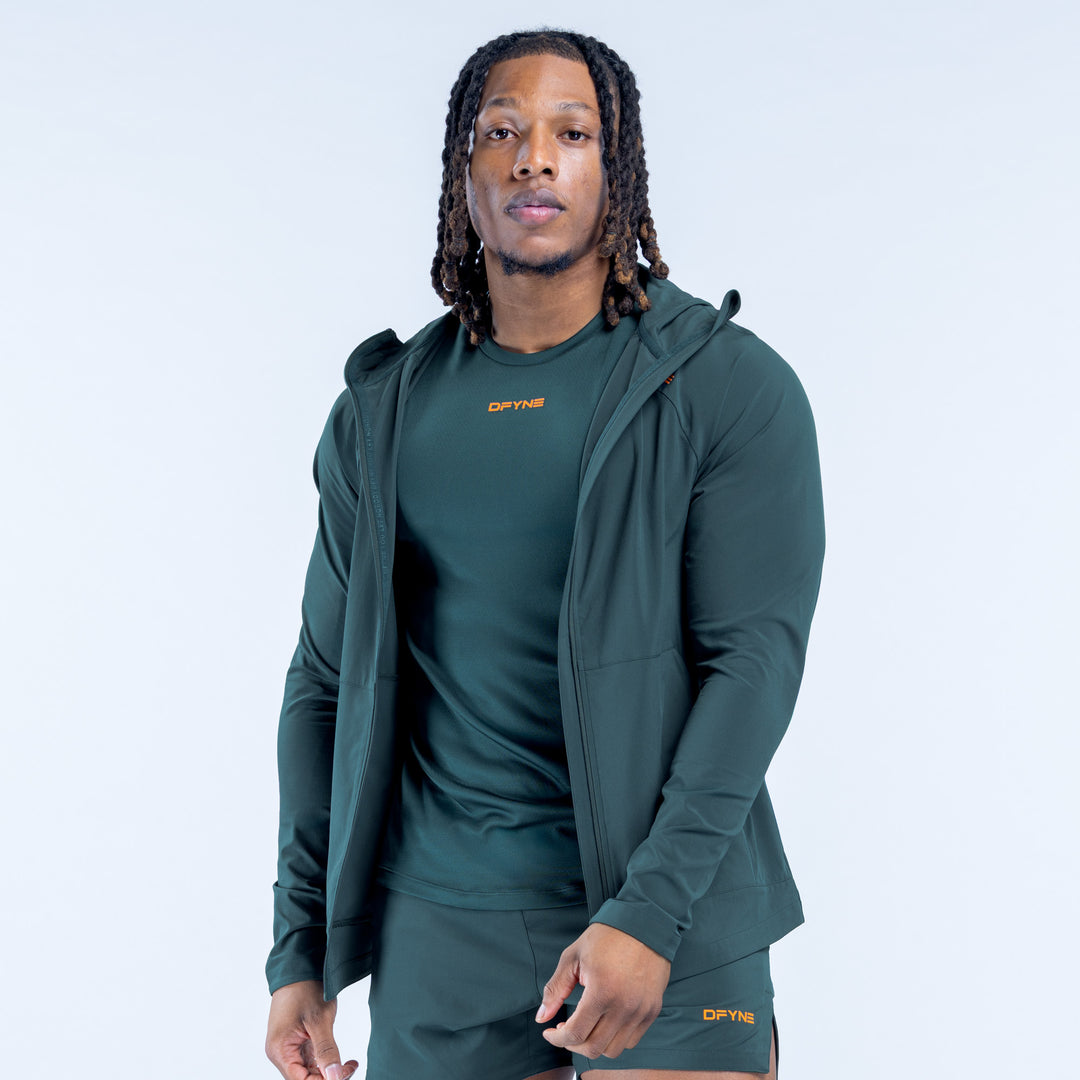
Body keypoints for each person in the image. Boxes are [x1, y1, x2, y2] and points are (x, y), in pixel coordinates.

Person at [264, 28, 825, 1080]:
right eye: (501, 132)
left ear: (618, 167)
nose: (535, 158)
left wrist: (647, 915)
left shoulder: (723, 386)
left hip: (671, 921)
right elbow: (324, 684)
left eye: (573, 133)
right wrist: (301, 947)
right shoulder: (383, 412)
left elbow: (752, 668)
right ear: (462, 170)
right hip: (441, 927)